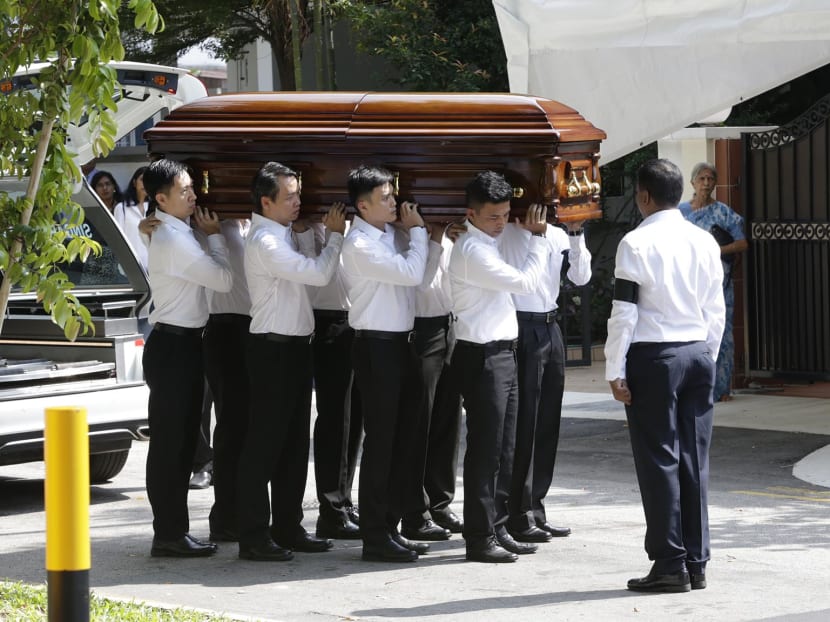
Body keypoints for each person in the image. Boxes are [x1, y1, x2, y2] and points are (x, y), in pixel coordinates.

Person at [605, 158, 725, 593]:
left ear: (643, 196)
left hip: (655, 357)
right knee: (695, 460)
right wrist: (707, 353)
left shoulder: (635, 243)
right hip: (696, 352)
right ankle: (696, 562)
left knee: (660, 460)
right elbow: (716, 307)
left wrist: (615, 369)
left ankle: (670, 562)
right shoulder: (704, 239)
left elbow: (625, 312)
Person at [236, 162, 345, 562]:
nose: (299, 201)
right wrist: (334, 237)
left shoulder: (281, 233)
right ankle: (253, 535)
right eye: (291, 196)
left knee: (295, 445)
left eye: (300, 193)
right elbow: (316, 275)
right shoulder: (266, 241)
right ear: (266, 202)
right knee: (265, 445)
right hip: (272, 349)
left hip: (296, 346)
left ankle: (287, 525)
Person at [448, 170, 549, 563]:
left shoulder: (487, 243)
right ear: (470, 214)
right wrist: (538, 239)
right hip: (482, 356)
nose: (501, 222)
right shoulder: (473, 250)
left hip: (502, 353)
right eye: (493, 216)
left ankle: (497, 525)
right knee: (486, 451)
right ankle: (478, 536)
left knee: (505, 450)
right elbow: (526, 283)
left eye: (506, 214)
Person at [142, 158, 233, 558]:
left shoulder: (168, 228)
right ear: (161, 199)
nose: (194, 195)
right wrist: (215, 238)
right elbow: (223, 281)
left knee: (179, 444)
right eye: (185, 191)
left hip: (183, 344)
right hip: (175, 347)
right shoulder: (175, 238)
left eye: (193, 187)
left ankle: (172, 531)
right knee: (170, 447)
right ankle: (168, 534)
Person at [340, 165, 428, 563]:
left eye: (394, 195)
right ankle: (375, 535)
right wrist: (423, 233)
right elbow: (412, 273)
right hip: (376, 348)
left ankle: (391, 525)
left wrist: (428, 237)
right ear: (362, 205)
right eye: (386, 198)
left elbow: (421, 272)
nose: (395, 202)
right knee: (381, 443)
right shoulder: (359, 244)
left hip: (401, 344)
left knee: (404, 440)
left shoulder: (393, 235)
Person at [499, 217, 591, 543]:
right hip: (520, 325)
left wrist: (577, 234)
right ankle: (514, 512)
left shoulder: (556, 234)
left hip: (550, 325)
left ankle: (535, 507)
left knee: (547, 422)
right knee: (523, 422)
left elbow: (581, 277)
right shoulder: (504, 230)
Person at [296, 214, 363, 541]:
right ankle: (332, 508)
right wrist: (331, 233)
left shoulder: (350, 225)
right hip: (328, 322)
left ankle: (344, 501)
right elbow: (318, 277)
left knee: (354, 422)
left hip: (357, 320)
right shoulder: (304, 229)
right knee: (336, 419)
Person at [401, 224, 463, 541]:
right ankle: (413, 511)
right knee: (418, 425)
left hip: (447, 325)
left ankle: (440, 503)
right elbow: (421, 284)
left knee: (447, 421)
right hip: (420, 331)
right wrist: (434, 238)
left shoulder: (449, 234)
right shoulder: (405, 238)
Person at [679, 162, 748, 402]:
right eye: (702, 179)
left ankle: (721, 388)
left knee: (722, 332)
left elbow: (742, 243)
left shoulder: (723, 212)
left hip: (720, 281)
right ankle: (693, 387)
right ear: (693, 183)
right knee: (690, 332)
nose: (706, 184)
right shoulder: (681, 214)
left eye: (710, 179)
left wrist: (716, 250)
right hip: (689, 282)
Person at [201, 217, 252, 540]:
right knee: (232, 427)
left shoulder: (252, 225)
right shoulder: (211, 225)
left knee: (247, 428)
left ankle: (241, 510)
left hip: (254, 326)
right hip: (226, 326)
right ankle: (226, 515)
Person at [114, 166, 149, 269]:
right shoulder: (122, 208)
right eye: (142, 179)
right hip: (131, 268)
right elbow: (118, 241)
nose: (145, 183)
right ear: (134, 182)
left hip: (153, 267)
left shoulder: (157, 208)